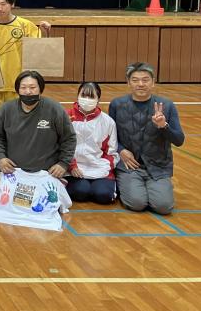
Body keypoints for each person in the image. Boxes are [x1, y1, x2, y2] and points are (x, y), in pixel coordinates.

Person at [0, 0, 51, 178]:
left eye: (3, 4)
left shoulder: (26, 26)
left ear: (12, 4)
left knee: (22, 126)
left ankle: (21, 162)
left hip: (20, 87)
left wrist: (46, 32)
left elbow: (40, 48)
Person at [108, 62, 185, 215]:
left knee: (163, 207)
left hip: (158, 167)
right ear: (128, 83)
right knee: (137, 203)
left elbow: (179, 140)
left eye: (145, 80)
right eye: (135, 80)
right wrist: (121, 150)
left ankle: (157, 187)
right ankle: (127, 185)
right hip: (129, 166)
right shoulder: (117, 104)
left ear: (153, 82)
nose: (141, 84)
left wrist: (164, 126)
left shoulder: (167, 105)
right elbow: (109, 136)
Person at [0, 70, 76, 178]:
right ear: (17, 90)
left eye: (32, 87)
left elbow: (69, 138)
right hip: (13, 172)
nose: (28, 91)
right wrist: (1, 157)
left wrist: (63, 163)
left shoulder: (55, 109)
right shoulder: (5, 109)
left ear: (40, 89)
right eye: (23, 87)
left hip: (47, 173)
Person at [66, 82, 119, 204]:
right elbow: (60, 146)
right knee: (80, 192)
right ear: (77, 96)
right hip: (74, 169)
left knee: (103, 195)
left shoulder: (108, 122)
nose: (87, 99)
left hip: (99, 167)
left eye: (91, 96)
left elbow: (111, 152)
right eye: (83, 95)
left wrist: (103, 168)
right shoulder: (66, 117)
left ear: (98, 99)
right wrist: (71, 166)